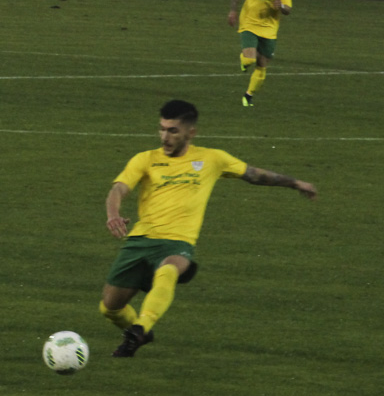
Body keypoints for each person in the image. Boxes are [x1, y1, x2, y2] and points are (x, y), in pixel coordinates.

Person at [99, 100, 316, 357]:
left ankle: (141, 328)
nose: (164, 137)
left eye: (172, 131)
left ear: (191, 133)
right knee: (109, 308)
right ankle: (139, 331)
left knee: (169, 270)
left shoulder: (212, 159)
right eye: (161, 129)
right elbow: (119, 189)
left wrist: (295, 183)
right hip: (140, 240)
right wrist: (113, 214)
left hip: (178, 242)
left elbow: (254, 174)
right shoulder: (145, 159)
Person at [227, 0, 292, 107]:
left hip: (269, 30)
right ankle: (244, 60)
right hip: (249, 24)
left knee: (262, 65)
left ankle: (248, 95)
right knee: (250, 58)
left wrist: (281, 6)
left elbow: (288, 8)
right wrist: (233, 11)